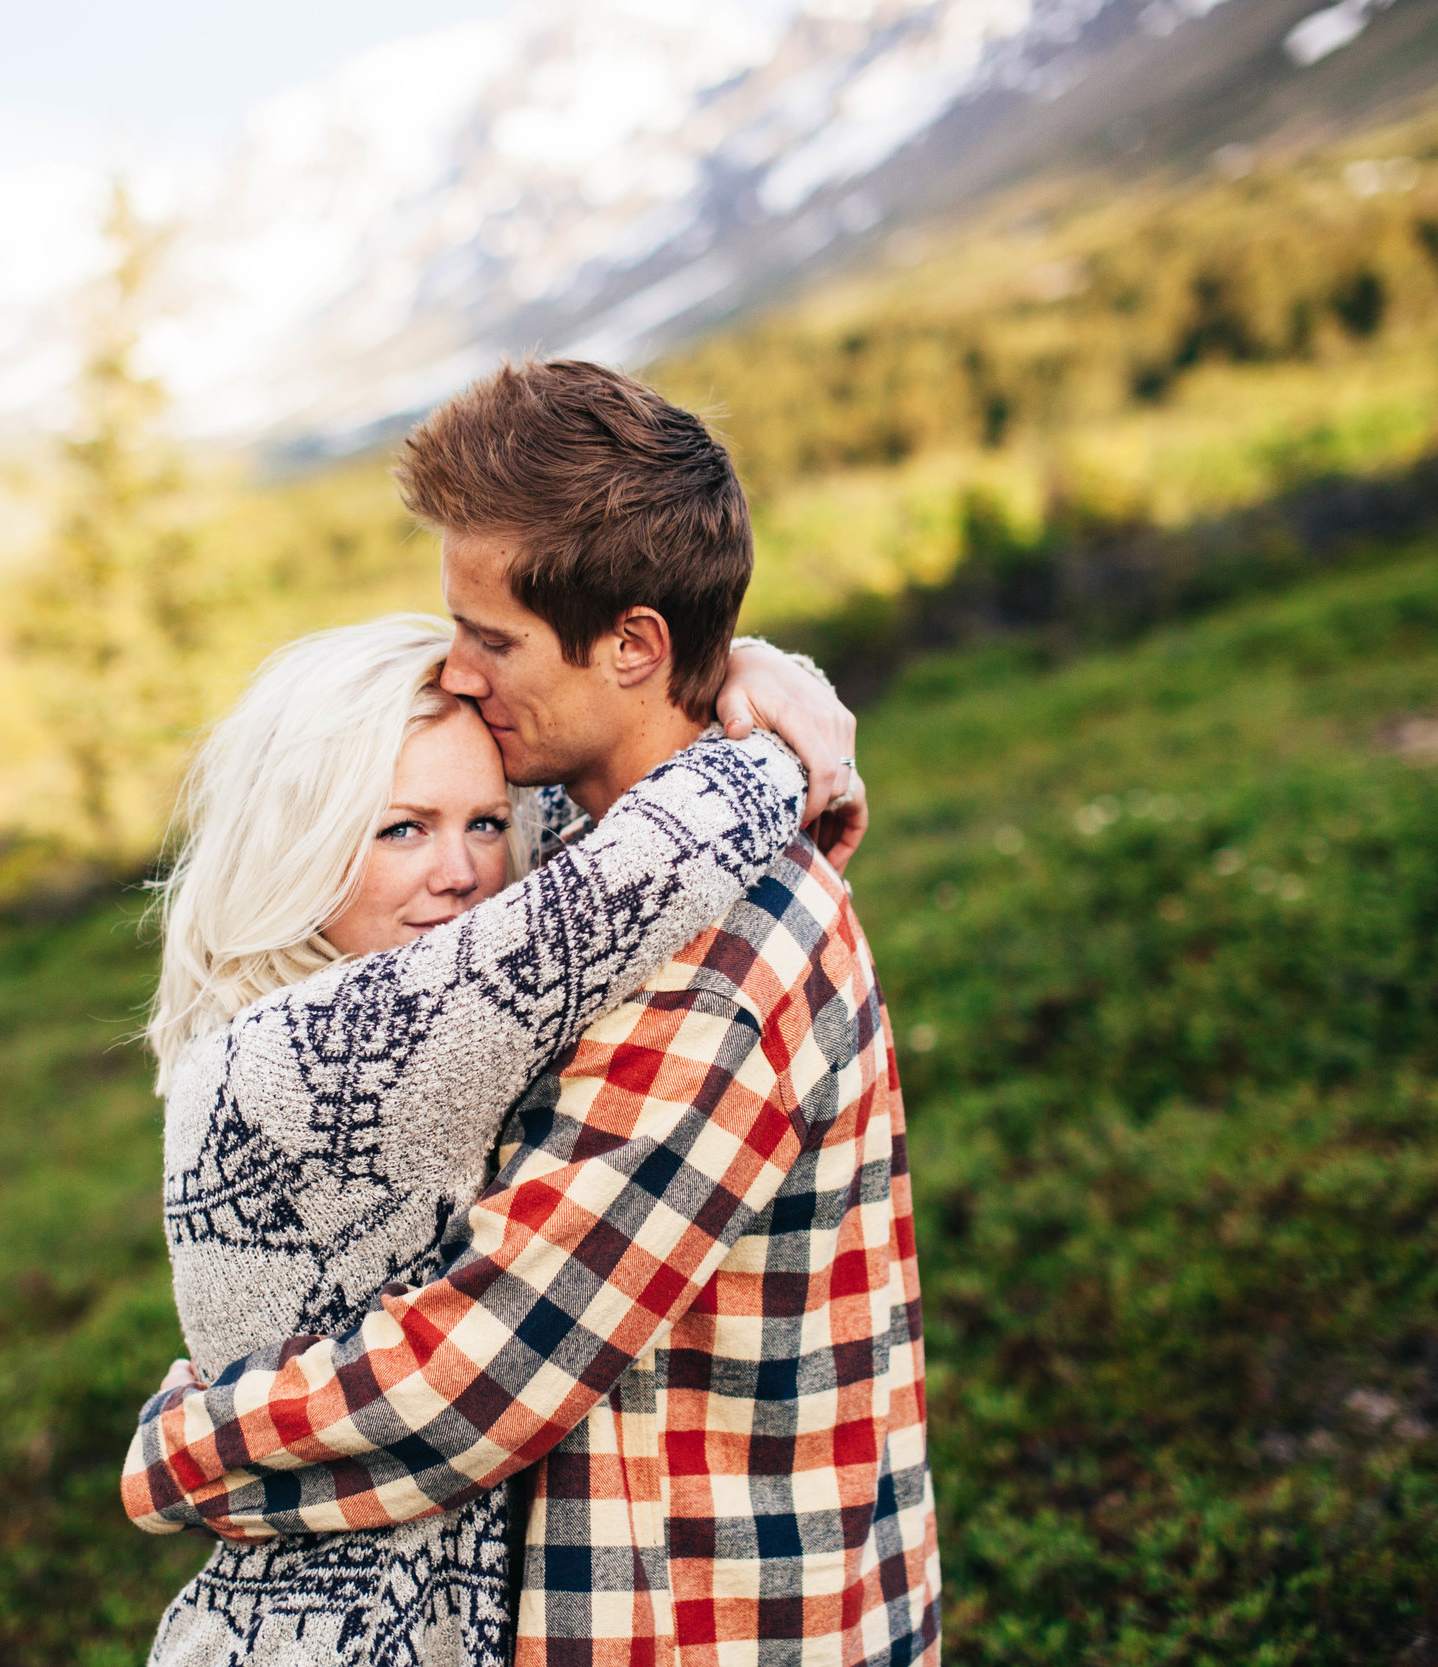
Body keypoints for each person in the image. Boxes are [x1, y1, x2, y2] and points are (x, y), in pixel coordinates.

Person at [129, 360, 938, 1667]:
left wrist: (184, 1448)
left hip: (704, 1610)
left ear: (632, 646)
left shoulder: (718, 962)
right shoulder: (572, 842)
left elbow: (491, 1370)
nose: (462, 667)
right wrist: (772, 700)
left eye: (492, 638)